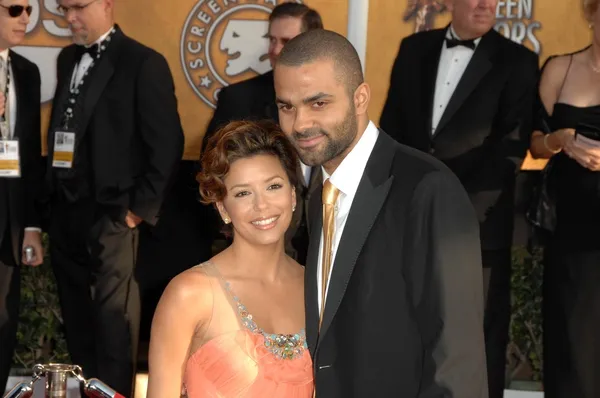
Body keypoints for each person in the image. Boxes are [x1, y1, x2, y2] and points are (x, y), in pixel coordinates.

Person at [274, 29, 487, 397]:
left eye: (318, 103)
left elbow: (457, 359)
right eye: (286, 106)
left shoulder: (427, 189)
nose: (300, 124)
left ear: (360, 98)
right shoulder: (317, 194)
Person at [379, 1, 539, 396]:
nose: (486, 5)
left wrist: (457, 214)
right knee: (407, 325)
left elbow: (510, 150)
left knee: (479, 335)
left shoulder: (517, 61)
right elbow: (391, 131)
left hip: (477, 226)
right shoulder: (413, 49)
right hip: (408, 219)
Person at [45, 0, 184, 395]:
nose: (70, 17)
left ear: (106, 5)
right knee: (78, 324)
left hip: (114, 216)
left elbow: (167, 142)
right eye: (63, 8)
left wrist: (138, 211)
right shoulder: (67, 59)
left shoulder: (143, 62)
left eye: (78, 7)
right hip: (67, 214)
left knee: (113, 330)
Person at [147, 120, 313, 398]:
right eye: (243, 193)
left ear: (293, 194)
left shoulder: (315, 287)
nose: (262, 205)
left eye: (273, 186)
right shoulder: (190, 294)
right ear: (223, 208)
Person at [202, 2, 324, 264]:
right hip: (257, 248)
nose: (276, 50)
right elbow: (213, 173)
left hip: (323, 250)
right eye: (272, 40)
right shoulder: (238, 99)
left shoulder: (334, 100)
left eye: (286, 41)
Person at [529, 1, 600, 396]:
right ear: (590, 14)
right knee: (572, 336)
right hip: (571, 226)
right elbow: (535, 145)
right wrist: (560, 140)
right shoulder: (560, 68)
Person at [0, 0, 44, 392]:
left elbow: (29, 153)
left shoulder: (27, 73)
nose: (25, 18)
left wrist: (31, 225)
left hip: (10, 223)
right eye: (14, 9)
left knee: (3, 320)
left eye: (28, 8)